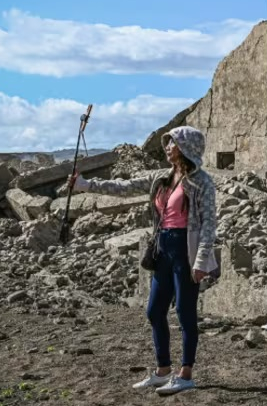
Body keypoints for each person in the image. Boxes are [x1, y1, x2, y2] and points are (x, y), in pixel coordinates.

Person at [67, 126, 218, 396]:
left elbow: (208, 225)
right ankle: (162, 371)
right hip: (162, 247)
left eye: (172, 143)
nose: (167, 147)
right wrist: (85, 185)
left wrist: (201, 261)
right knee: (154, 310)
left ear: (186, 147)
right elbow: (125, 187)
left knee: (185, 313)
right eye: (168, 142)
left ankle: (186, 374)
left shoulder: (202, 182)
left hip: (187, 250)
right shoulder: (161, 177)